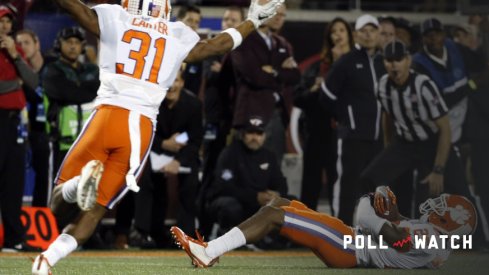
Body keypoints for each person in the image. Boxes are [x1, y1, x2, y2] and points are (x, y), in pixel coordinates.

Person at [32, 0, 284, 274]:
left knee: (57, 207)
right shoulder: (176, 33)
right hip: (139, 128)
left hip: (107, 114)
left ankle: (77, 187)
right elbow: (216, 46)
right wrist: (252, 22)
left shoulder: (116, 17)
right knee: (95, 210)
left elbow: (75, 8)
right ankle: (47, 261)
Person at [171, 187, 477, 269]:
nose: (434, 207)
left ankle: (208, 251)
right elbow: (399, 239)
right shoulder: (436, 245)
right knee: (282, 202)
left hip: (349, 246)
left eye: (441, 209)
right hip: (350, 241)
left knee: (272, 214)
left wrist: (368, 204)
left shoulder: (432, 239)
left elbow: (385, 232)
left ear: (448, 222)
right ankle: (218, 247)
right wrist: (394, 214)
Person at [320, 14, 385, 225]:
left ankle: (375, 238)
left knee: (377, 190)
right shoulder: (347, 61)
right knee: (347, 186)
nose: (368, 34)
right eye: (363, 31)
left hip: (380, 139)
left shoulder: (384, 62)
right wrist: (346, 119)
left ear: (378, 34)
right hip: (352, 137)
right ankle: (342, 234)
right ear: (356, 34)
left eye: (372, 30)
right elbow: (326, 96)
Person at [294, 17, 353, 211]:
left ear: (349, 35)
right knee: (311, 183)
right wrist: (314, 89)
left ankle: (344, 230)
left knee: (342, 184)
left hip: (346, 134)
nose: (338, 35)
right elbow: (298, 98)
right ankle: (306, 231)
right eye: (334, 31)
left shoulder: (358, 65)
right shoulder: (317, 67)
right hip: (317, 132)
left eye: (342, 30)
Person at [230, 3, 300, 164]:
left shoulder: (282, 44)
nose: (277, 17)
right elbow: (253, 76)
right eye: (274, 12)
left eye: (282, 14)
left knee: (273, 168)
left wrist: (273, 71)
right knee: (246, 168)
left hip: (277, 115)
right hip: (251, 113)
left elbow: (295, 76)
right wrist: (281, 73)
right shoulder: (242, 38)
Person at [202, 116, 288, 236]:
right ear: (243, 134)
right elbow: (225, 187)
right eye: (250, 132)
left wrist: (276, 194)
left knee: (291, 203)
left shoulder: (269, 156)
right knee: (230, 206)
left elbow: (280, 182)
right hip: (232, 202)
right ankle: (226, 236)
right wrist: (255, 196)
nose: (254, 137)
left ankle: (277, 240)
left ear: (264, 136)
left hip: (260, 204)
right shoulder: (230, 153)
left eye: (259, 133)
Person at [0, 5, 40, 252]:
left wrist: (16, 57)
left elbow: (33, 82)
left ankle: (14, 239)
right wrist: (16, 84)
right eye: (1, 21)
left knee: (13, 183)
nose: (5, 26)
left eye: (7, 22)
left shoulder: (16, 50)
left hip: (15, 122)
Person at [43, 26, 100, 185]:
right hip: (62, 142)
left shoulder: (92, 69)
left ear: (83, 46)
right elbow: (65, 92)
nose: (73, 46)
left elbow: (100, 91)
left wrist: (76, 89)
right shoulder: (52, 70)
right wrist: (84, 89)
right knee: (60, 188)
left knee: (87, 193)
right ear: (59, 44)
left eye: (77, 42)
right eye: (69, 42)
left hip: (89, 142)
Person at [15, 29, 51, 207]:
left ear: (37, 44)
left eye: (26, 42)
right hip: (27, 130)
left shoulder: (52, 67)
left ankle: (43, 212)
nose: (22, 47)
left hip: (51, 131)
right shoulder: (16, 71)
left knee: (46, 176)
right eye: (19, 44)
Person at [176, 4, 203, 96]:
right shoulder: (167, 45)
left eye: (196, 22)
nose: (193, 25)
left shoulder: (200, 52)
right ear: (179, 20)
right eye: (190, 20)